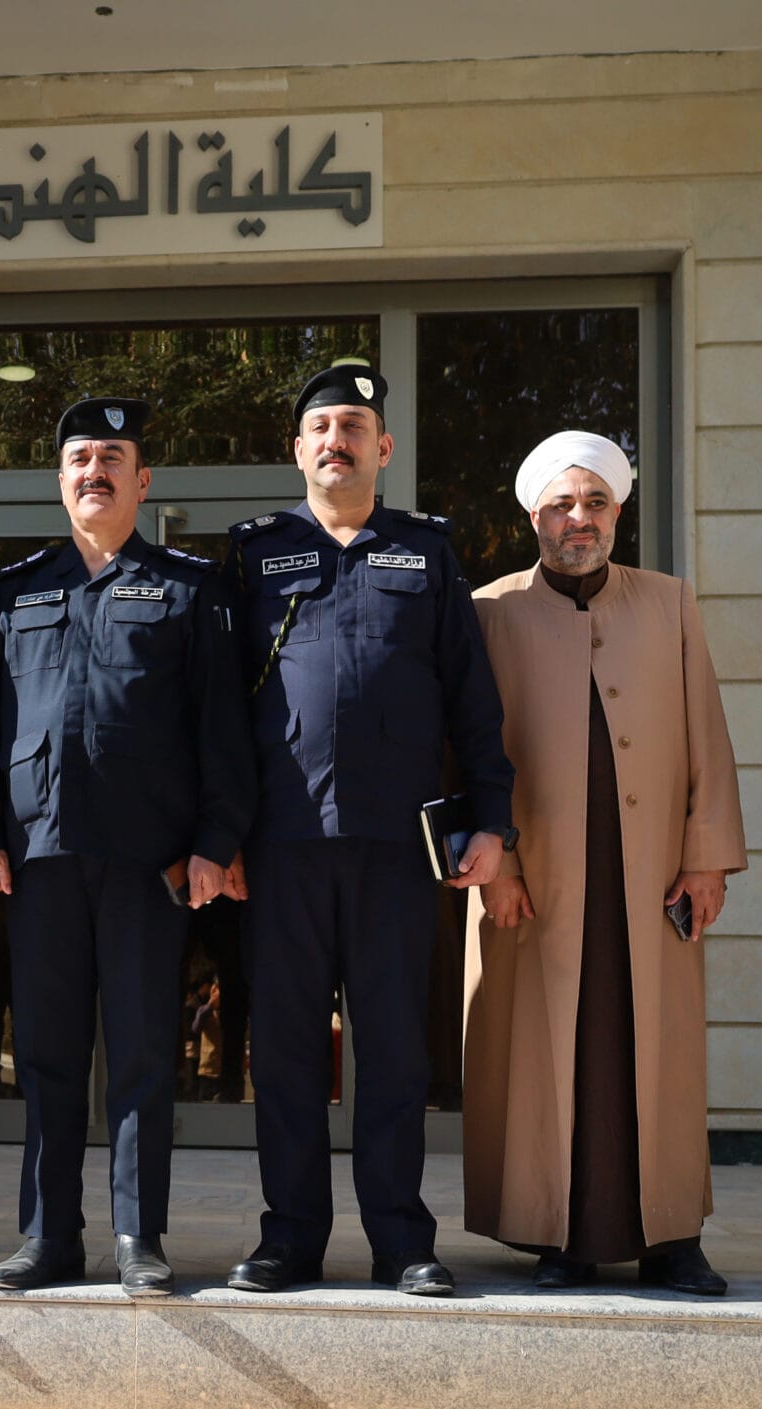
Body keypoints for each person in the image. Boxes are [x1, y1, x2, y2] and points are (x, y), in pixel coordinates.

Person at [222, 365, 514, 1296]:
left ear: (383, 448)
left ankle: (401, 1241)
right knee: (288, 1051)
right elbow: (218, 709)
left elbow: (473, 703)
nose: (335, 441)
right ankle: (289, 1239)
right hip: (282, 844)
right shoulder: (255, 555)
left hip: (397, 846)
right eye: (320, 428)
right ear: (297, 450)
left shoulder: (425, 553)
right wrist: (220, 835)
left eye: (353, 426)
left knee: (392, 1050)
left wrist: (492, 820)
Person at [0, 397, 255, 1296]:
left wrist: (214, 842)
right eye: (80, 459)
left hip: (145, 862)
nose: (95, 471)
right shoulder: (17, 591)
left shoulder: (189, 589)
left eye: (113, 458)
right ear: (61, 481)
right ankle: (49, 1235)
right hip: (39, 858)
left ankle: (138, 1235)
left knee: (141, 1054)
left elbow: (223, 730)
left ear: (143, 480)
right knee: (46, 1056)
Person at [462, 432, 746, 1295]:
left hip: (651, 873)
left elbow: (707, 738)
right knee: (545, 1053)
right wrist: (499, 868)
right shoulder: (488, 610)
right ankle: (559, 1235)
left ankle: (672, 1238)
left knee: (658, 1047)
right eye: (561, 505)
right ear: (534, 518)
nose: (578, 519)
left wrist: (706, 858)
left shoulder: (670, 602)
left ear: (618, 512)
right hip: (533, 880)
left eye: (594, 503)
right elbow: (467, 749)